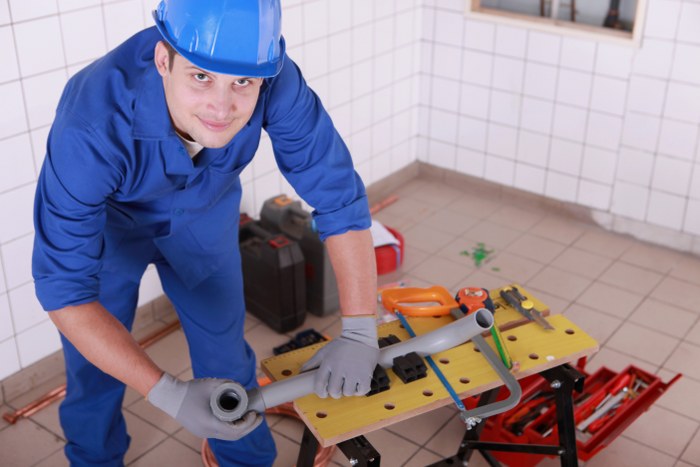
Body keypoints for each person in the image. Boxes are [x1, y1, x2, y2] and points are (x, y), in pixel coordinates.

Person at [31, 1, 379, 465]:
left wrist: (359, 329)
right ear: (163, 60)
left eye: (242, 83)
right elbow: (66, 293)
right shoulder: (91, 127)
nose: (222, 106)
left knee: (226, 356)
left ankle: (245, 460)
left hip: (203, 218)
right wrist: (167, 393)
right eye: (200, 77)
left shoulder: (272, 76)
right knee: (93, 371)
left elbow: (338, 196)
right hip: (109, 232)